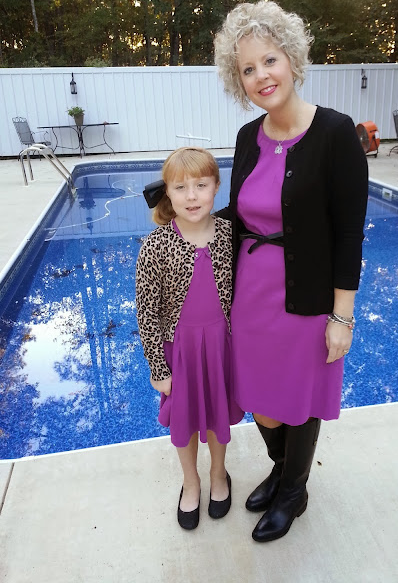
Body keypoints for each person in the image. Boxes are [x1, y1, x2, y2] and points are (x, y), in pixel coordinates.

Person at [214, 1, 369, 542]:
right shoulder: (246, 137)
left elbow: (349, 232)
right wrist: (188, 219)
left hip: (306, 297)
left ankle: (293, 492)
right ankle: (281, 469)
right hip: (252, 295)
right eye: (247, 68)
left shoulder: (335, 133)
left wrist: (341, 316)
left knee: (299, 399)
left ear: (292, 60)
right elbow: (240, 214)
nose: (261, 76)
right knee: (260, 397)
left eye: (269, 60)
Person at [135, 147, 244, 531]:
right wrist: (158, 368)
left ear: (216, 187)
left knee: (216, 415)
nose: (192, 196)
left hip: (219, 348)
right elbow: (146, 313)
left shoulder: (230, 235)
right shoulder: (156, 245)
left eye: (201, 185)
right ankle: (191, 480)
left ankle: (218, 473)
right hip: (179, 351)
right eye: (181, 188)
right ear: (167, 192)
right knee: (185, 420)